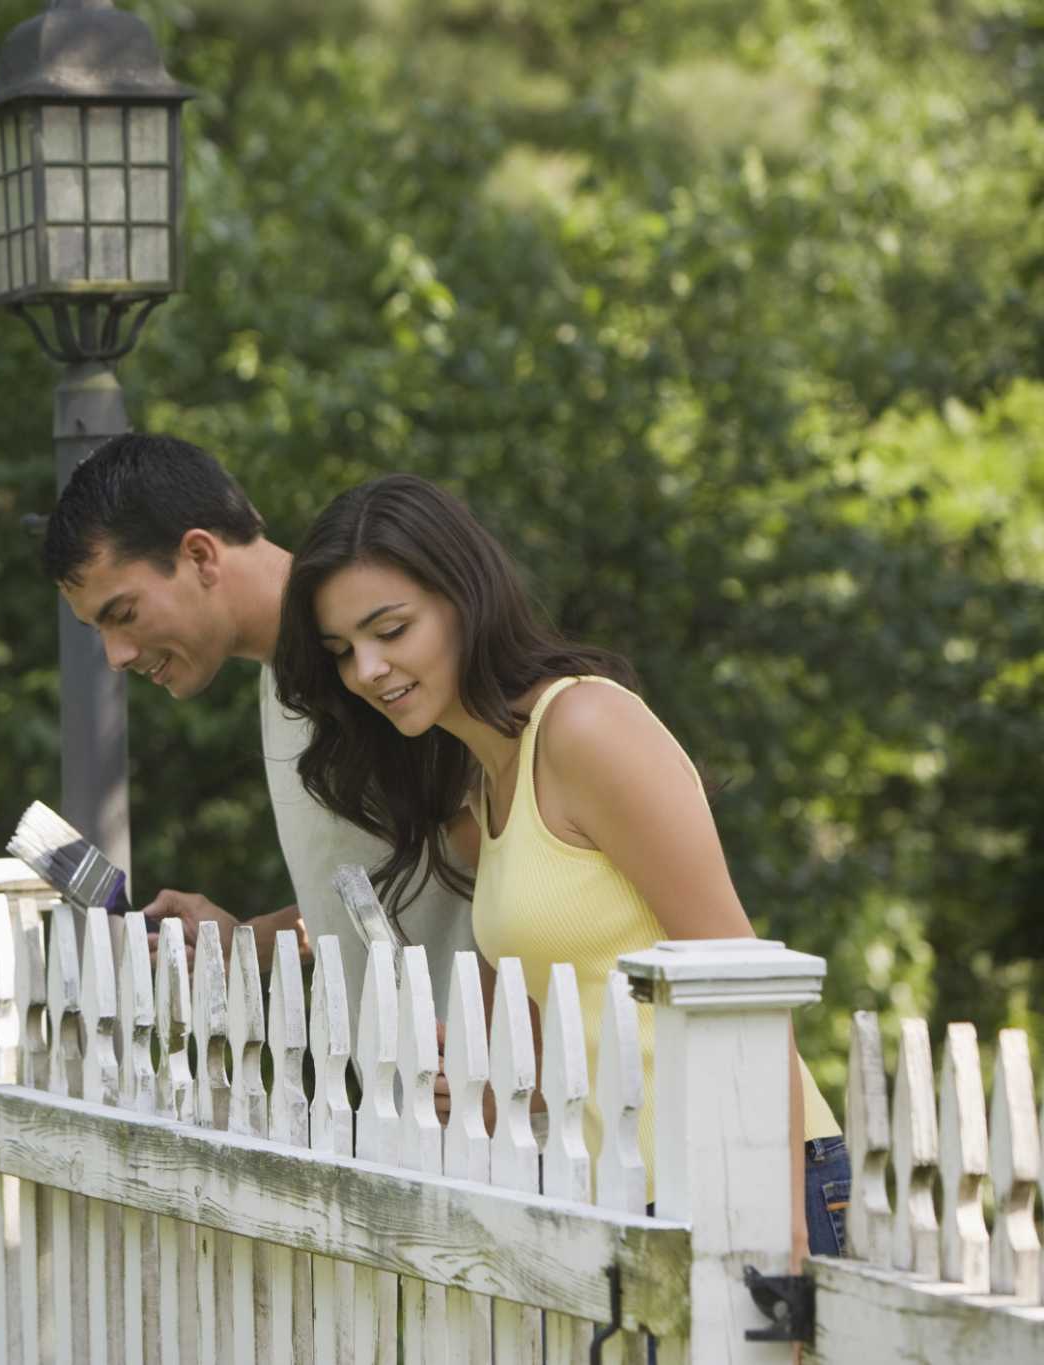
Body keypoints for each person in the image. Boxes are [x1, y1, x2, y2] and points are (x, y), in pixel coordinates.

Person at [270, 471, 849, 1257]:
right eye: (343, 650)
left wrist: (777, 1233)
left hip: (744, 1181)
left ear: (463, 600)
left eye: (391, 629)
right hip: (626, 1199)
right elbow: (569, 1041)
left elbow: (740, 977)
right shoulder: (482, 789)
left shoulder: (585, 724)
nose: (367, 669)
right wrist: (470, 1081)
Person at [42, 433, 477, 1022]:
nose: (116, 655)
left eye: (122, 614)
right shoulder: (282, 679)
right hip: (415, 1103)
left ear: (199, 556)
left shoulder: (389, 668)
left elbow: (528, 873)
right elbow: (386, 891)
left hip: (514, 1096)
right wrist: (248, 939)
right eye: (99, 630)